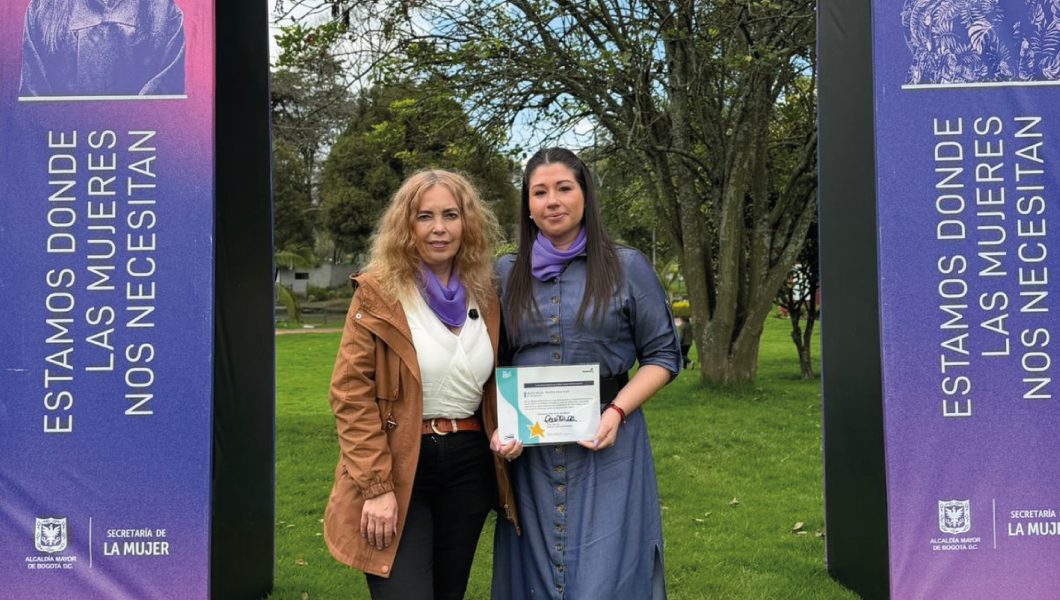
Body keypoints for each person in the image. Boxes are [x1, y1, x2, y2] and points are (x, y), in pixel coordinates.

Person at [323, 170, 522, 599]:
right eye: (425, 216)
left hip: (468, 467)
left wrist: (512, 426)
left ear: (467, 223)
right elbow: (350, 394)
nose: (439, 228)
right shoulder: (379, 294)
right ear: (406, 226)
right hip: (398, 462)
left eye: (450, 215)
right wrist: (376, 488)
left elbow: (501, 374)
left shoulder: (487, 293)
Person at [492, 148, 681, 600]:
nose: (552, 201)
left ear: (585, 195)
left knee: (605, 576)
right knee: (536, 576)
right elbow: (493, 359)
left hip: (608, 445)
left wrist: (616, 412)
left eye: (564, 188)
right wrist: (501, 425)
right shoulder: (506, 272)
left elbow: (663, 355)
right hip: (532, 454)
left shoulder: (626, 266)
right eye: (539, 192)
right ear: (527, 205)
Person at [19, 0, 186, 97]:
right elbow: (34, 93)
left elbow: (165, 97)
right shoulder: (44, 8)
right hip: (64, 139)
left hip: (138, 138)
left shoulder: (161, 10)